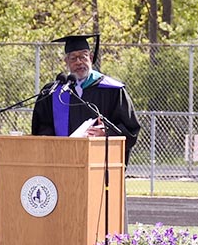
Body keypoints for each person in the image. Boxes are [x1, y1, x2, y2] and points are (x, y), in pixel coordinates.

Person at [31, 34, 140, 164]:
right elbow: (42, 128)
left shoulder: (112, 90)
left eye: (83, 56)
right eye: (73, 58)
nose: (79, 62)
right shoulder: (53, 92)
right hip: (61, 163)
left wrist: (107, 133)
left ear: (91, 58)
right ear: (66, 62)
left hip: (98, 164)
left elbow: (130, 129)